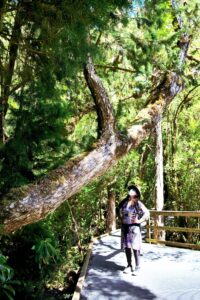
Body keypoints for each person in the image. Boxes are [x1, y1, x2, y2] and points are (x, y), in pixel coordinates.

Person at [116, 185, 149, 275]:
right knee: (127, 247)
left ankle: (137, 266)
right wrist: (120, 218)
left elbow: (147, 213)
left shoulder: (137, 203)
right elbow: (117, 209)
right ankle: (129, 265)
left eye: (133, 191)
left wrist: (139, 220)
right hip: (125, 227)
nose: (131, 192)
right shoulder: (124, 202)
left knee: (135, 247)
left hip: (134, 227)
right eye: (130, 191)